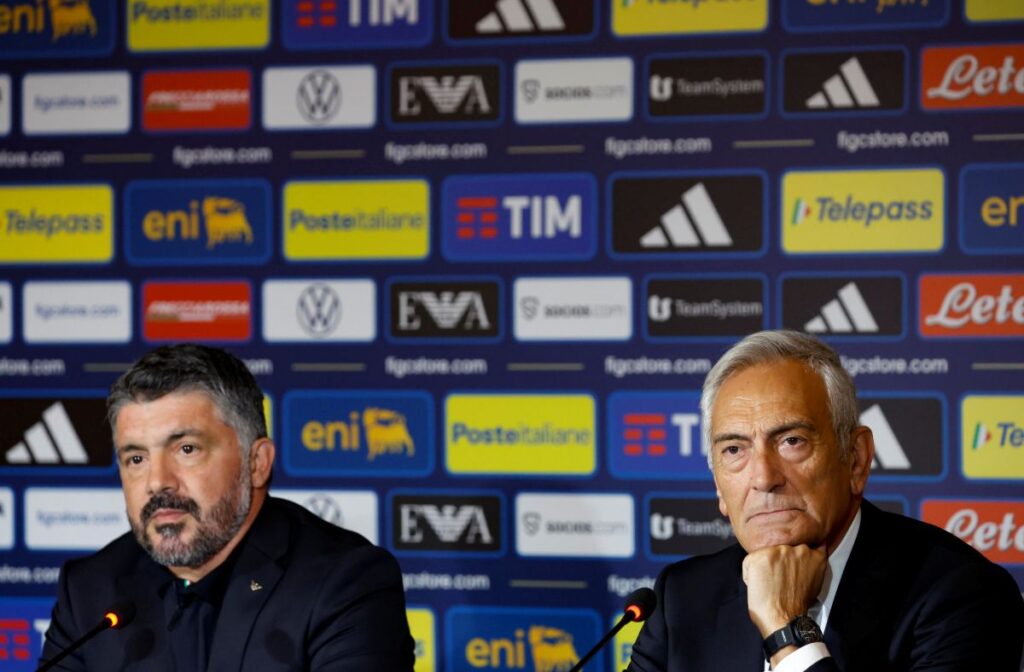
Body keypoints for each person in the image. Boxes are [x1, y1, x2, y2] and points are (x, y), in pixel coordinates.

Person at [628, 330, 1024, 672]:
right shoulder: (682, 599)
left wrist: (785, 628)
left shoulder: (959, 595)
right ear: (718, 483)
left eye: (792, 441)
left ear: (855, 459)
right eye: (734, 450)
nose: (764, 478)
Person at [40, 344, 415, 671]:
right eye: (136, 459)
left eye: (186, 449)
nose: (157, 481)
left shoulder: (343, 583)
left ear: (257, 463)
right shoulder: (90, 591)